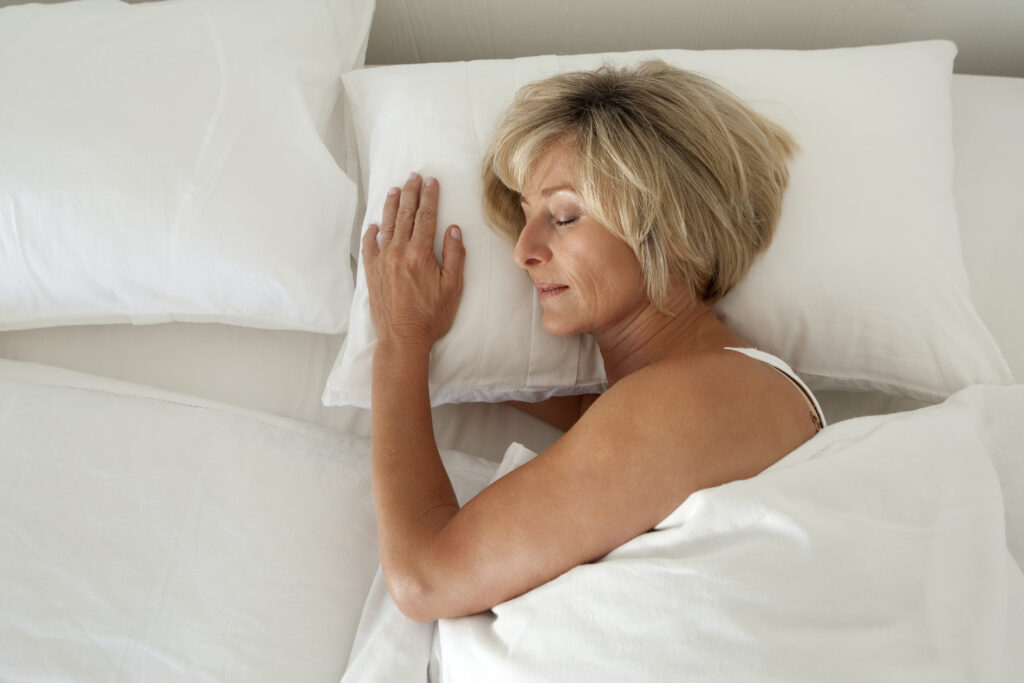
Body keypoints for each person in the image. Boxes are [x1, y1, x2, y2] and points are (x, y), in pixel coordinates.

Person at [359, 60, 824, 623]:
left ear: (671, 231)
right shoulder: (697, 392)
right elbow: (597, 421)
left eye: (565, 216)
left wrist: (400, 342)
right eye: (527, 216)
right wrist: (458, 357)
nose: (522, 250)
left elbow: (426, 580)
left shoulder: (692, 401)